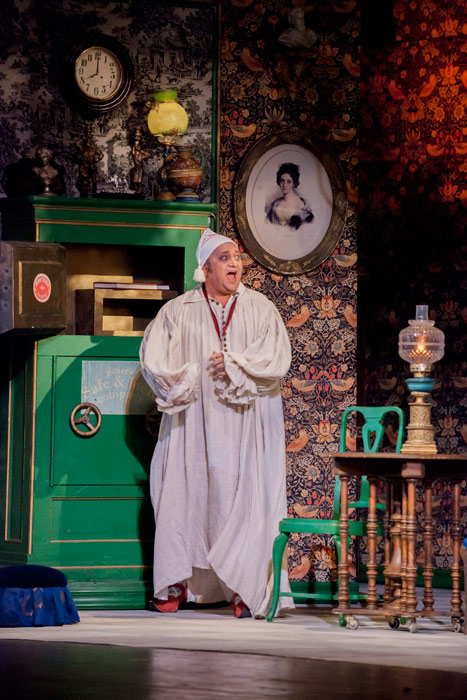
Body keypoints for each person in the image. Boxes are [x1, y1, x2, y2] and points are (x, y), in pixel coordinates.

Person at [140, 228, 293, 619]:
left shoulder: (260, 308)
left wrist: (237, 365)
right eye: (224, 258)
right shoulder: (178, 311)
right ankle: (177, 581)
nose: (234, 264)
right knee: (183, 495)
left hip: (246, 423)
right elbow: (153, 360)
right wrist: (186, 377)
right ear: (204, 269)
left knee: (243, 497)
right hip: (193, 421)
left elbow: (276, 361)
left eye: (237, 257)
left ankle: (245, 585)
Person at [266, 162, 314, 230]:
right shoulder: (275, 204)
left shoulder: (302, 206)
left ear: (294, 183)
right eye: (282, 181)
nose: (284, 185)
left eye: (289, 181)